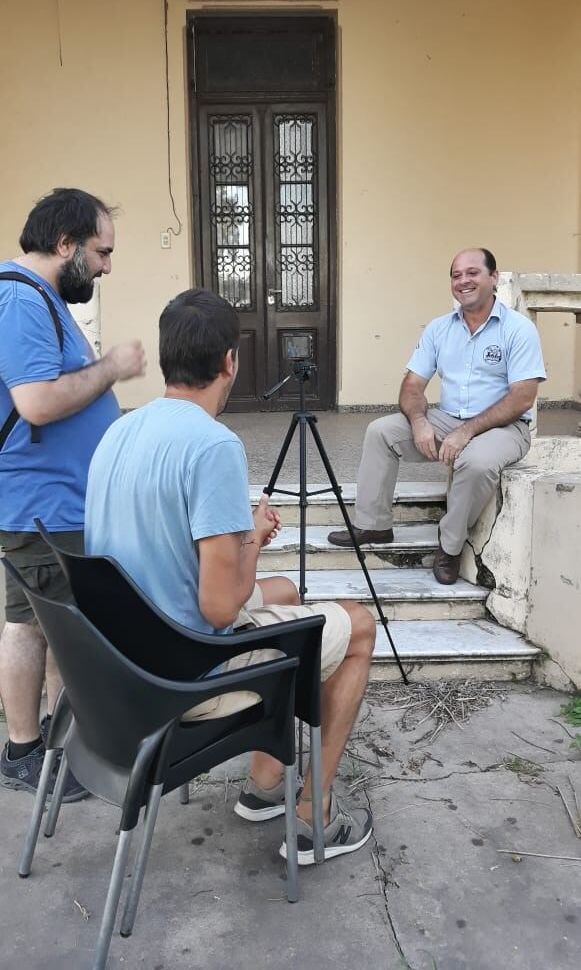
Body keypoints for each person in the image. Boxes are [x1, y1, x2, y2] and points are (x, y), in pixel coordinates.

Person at [85, 288, 376, 864]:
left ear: (168, 357)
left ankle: (265, 785)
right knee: (359, 626)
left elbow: (171, 554)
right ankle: (315, 815)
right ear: (229, 362)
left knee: (290, 593)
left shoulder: (118, 432)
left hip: (126, 660)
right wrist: (248, 537)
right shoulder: (213, 445)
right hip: (186, 677)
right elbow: (220, 608)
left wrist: (243, 537)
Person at [0, 188, 146, 801]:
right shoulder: (20, 299)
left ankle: (55, 748)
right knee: (40, 628)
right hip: (40, 505)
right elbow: (34, 401)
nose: (108, 266)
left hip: (54, 503)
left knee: (51, 626)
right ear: (65, 245)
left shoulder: (41, 299)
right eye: (101, 251)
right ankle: (32, 753)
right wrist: (111, 368)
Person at [328, 248, 546, 584]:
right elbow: (412, 385)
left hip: (506, 427)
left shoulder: (518, 329)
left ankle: (450, 546)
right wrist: (419, 422)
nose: (463, 281)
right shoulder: (439, 329)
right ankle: (373, 524)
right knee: (381, 431)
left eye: (472, 273)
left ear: (494, 278)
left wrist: (466, 432)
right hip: (448, 417)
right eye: (456, 275)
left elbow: (522, 398)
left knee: (475, 462)